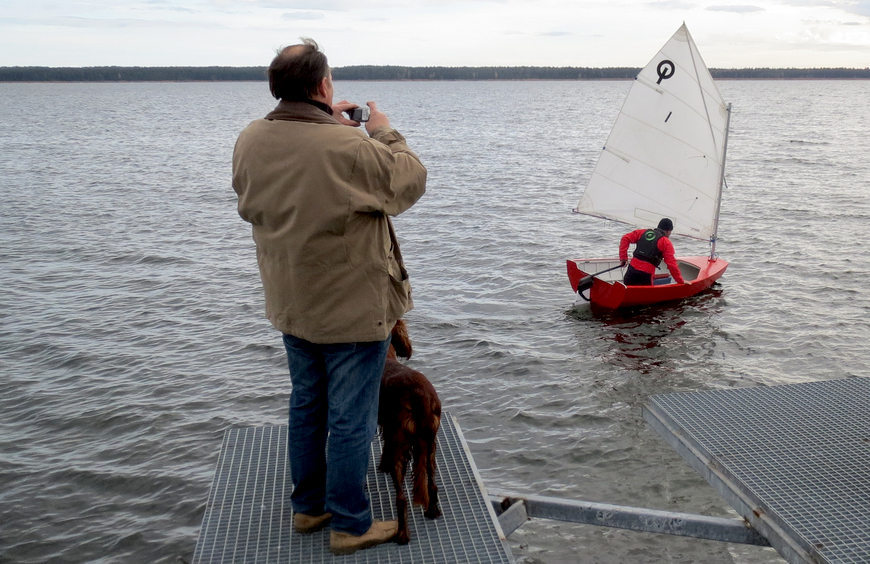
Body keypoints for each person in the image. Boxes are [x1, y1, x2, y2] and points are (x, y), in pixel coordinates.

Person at [231, 38, 427, 555]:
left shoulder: (250, 138)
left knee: (307, 405)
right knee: (351, 419)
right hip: (352, 311)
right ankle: (350, 524)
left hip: (292, 302)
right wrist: (382, 131)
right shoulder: (350, 148)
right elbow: (408, 183)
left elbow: (272, 193)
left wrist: (327, 127)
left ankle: (309, 508)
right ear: (323, 87)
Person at [619, 218, 688, 286]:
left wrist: (623, 258)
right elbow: (672, 265)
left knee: (628, 292)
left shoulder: (643, 232)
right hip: (645, 275)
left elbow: (625, 238)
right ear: (668, 231)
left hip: (631, 271)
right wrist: (680, 280)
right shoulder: (665, 242)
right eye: (670, 231)